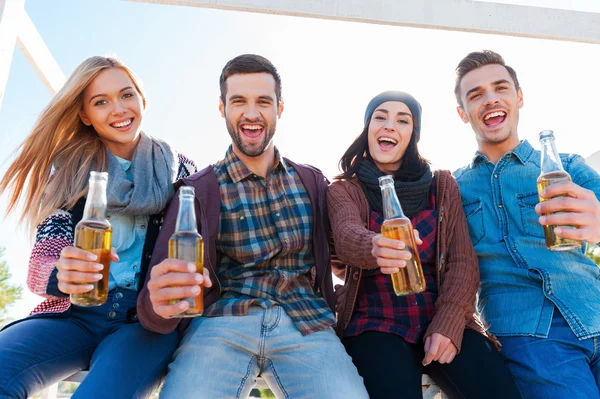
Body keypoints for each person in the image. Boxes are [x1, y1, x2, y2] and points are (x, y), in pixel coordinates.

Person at [136, 53, 368, 398]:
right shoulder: (197, 190)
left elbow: (342, 254)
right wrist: (159, 305)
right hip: (222, 323)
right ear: (222, 108)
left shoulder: (312, 181)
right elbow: (159, 292)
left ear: (280, 108)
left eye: (263, 101)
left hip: (307, 322)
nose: (251, 113)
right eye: (238, 101)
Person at [0, 56, 197, 399]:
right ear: (84, 115)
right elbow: (43, 258)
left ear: (142, 99)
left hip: (144, 323)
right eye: (100, 102)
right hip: (73, 315)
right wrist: (59, 272)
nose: (118, 109)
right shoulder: (69, 172)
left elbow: (200, 246)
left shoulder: (182, 170)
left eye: (126, 95)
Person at [328, 90, 522, 399]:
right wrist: (375, 246)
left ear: (412, 134)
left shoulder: (442, 186)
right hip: (374, 322)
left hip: (439, 314)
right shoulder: (344, 189)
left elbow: (462, 262)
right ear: (367, 129)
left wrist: (447, 324)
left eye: (402, 120)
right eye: (380, 117)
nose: (390, 126)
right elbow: (347, 235)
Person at [453, 50, 600, 398]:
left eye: (500, 88)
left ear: (518, 98)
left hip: (593, 309)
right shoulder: (452, 188)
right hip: (531, 336)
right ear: (463, 113)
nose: (490, 99)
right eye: (475, 95)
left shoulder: (568, 167)